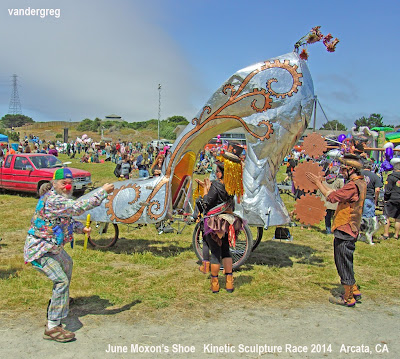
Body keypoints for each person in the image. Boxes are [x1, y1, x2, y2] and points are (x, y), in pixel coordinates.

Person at [23, 168, 114, 342]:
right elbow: (77, 208)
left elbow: (66, 220)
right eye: (64, 183)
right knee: (61, 280)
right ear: (54, 183)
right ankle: (52, 326)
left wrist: (81, 229)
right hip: (40, 249)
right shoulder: (53, 199)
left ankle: (60, 301)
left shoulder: (60, 200)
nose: (67, 186)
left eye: (70, 183)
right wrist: (103, 192)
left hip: (53, 248)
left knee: (67, 264)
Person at [306, 153, 366, 307]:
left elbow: (331, 197)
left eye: (344, 169)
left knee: (342, 262)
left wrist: (317, 183)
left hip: (346, 228)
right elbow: (335, 194)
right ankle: (354, 289)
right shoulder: (359, 182)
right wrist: (321, 183)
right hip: (350, 228)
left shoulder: (353, 186)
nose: (342, 171)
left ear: (352, 169)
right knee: (347, 260)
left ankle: (348, 297)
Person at [195, 148, 244, 293]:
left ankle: (215, 284)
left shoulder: (216, 185)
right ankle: (229, 282)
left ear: (222, 172)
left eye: (217, 171)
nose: (215, 173)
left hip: (215, 224)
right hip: (228, 223)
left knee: (215, 253)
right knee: (226, 251)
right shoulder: (231, 186)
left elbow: (206, 204)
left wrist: (205, 190)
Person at [316, 167, 344, 234]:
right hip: (335, 202)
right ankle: (335, 230)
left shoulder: (324, 180)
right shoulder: (339, 181)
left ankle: (328, 231)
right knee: (336, 218)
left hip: (326, 202)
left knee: (327, 218)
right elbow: (342, 191)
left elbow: (319, 190)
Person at [382, 157, 400, 240]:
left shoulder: (391, 177)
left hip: (391, 199)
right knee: (398, 219)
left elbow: (387, 190)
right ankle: (396, 235)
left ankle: (386, 234)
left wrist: (385, 198)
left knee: (387, 216)